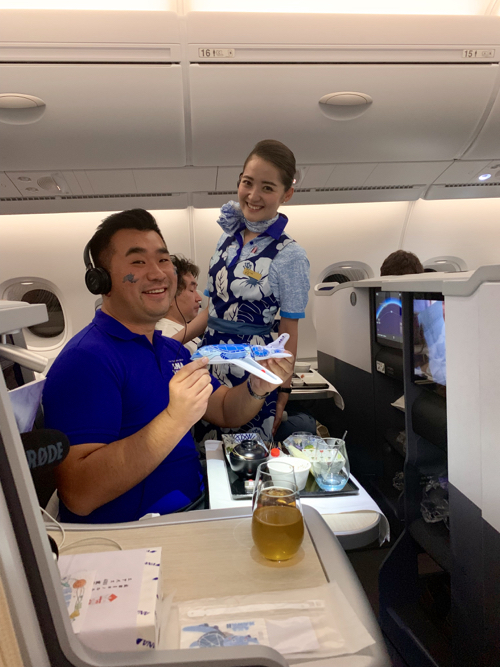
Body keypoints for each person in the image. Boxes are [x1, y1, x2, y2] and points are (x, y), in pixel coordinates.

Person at [42, 209, 293, 524]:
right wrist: (175, 418)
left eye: (163, 260)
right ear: (101, 281)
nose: (158, 273)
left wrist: (259, 384)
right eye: (138, 262)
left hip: (193, 509)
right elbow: (79, 494)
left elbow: (227, 410)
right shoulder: (86, 360)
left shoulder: (170, 349)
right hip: (134, 536)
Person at [183, 139, 310, 443]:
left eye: (267, 187)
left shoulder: (290, 255)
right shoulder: (224, 240)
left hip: (254, 367)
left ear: (286, 195)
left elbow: (289, 329)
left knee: (246, 460)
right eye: (247, 183)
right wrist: (166, 342)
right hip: (209, 361)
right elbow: (211, 312)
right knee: (203, 450)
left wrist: (283, 390)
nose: (253, 196)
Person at [156, 255, 202, 354]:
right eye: (191, 290)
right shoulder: (166, 335)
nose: (199, 298)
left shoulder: (184, 330)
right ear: (170, 296)